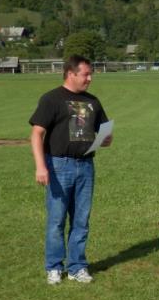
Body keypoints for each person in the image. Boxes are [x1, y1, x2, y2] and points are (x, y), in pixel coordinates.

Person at [29, 55, 112, 285]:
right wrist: (40, 166)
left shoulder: (93, 102)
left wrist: (106, 139)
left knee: (81, 220)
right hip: (58, 165)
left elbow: (104, 130)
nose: (90, 78)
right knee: (56, 220)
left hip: (85, 166)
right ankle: (54, 267)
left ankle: (77, 266)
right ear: (70, 74)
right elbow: (36, 134)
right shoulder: (51, 99)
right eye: (85, 74)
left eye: (90, 74)